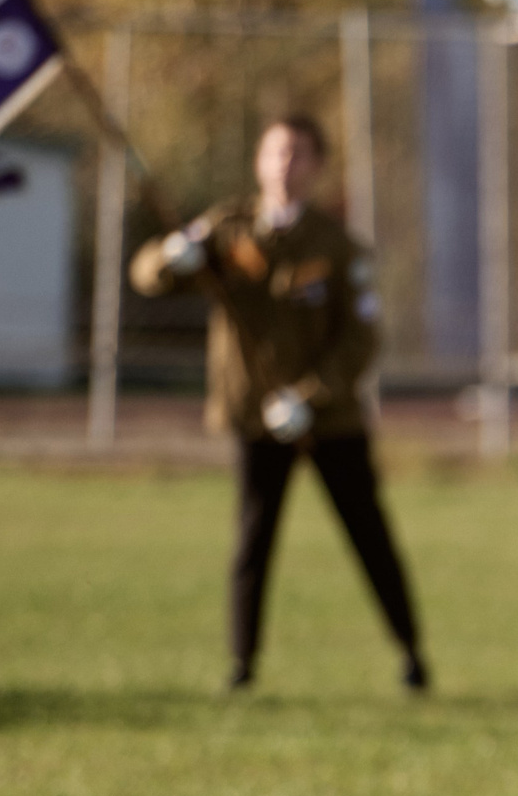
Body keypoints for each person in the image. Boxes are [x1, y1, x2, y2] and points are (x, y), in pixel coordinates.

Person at [130, 115, 427, 693]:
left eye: (298, 155)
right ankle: (242, 665)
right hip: (255, 418)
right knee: (253, 540)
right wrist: (173, 256)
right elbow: (147, 277)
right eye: (276, 153)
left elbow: (361, 337)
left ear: (317, 166)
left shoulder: (338, 246)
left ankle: (411, 653)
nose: (285, 166)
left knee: (368, 533)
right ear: (259, 162)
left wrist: (310, 397)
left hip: (330, 420)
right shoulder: (227, 229)